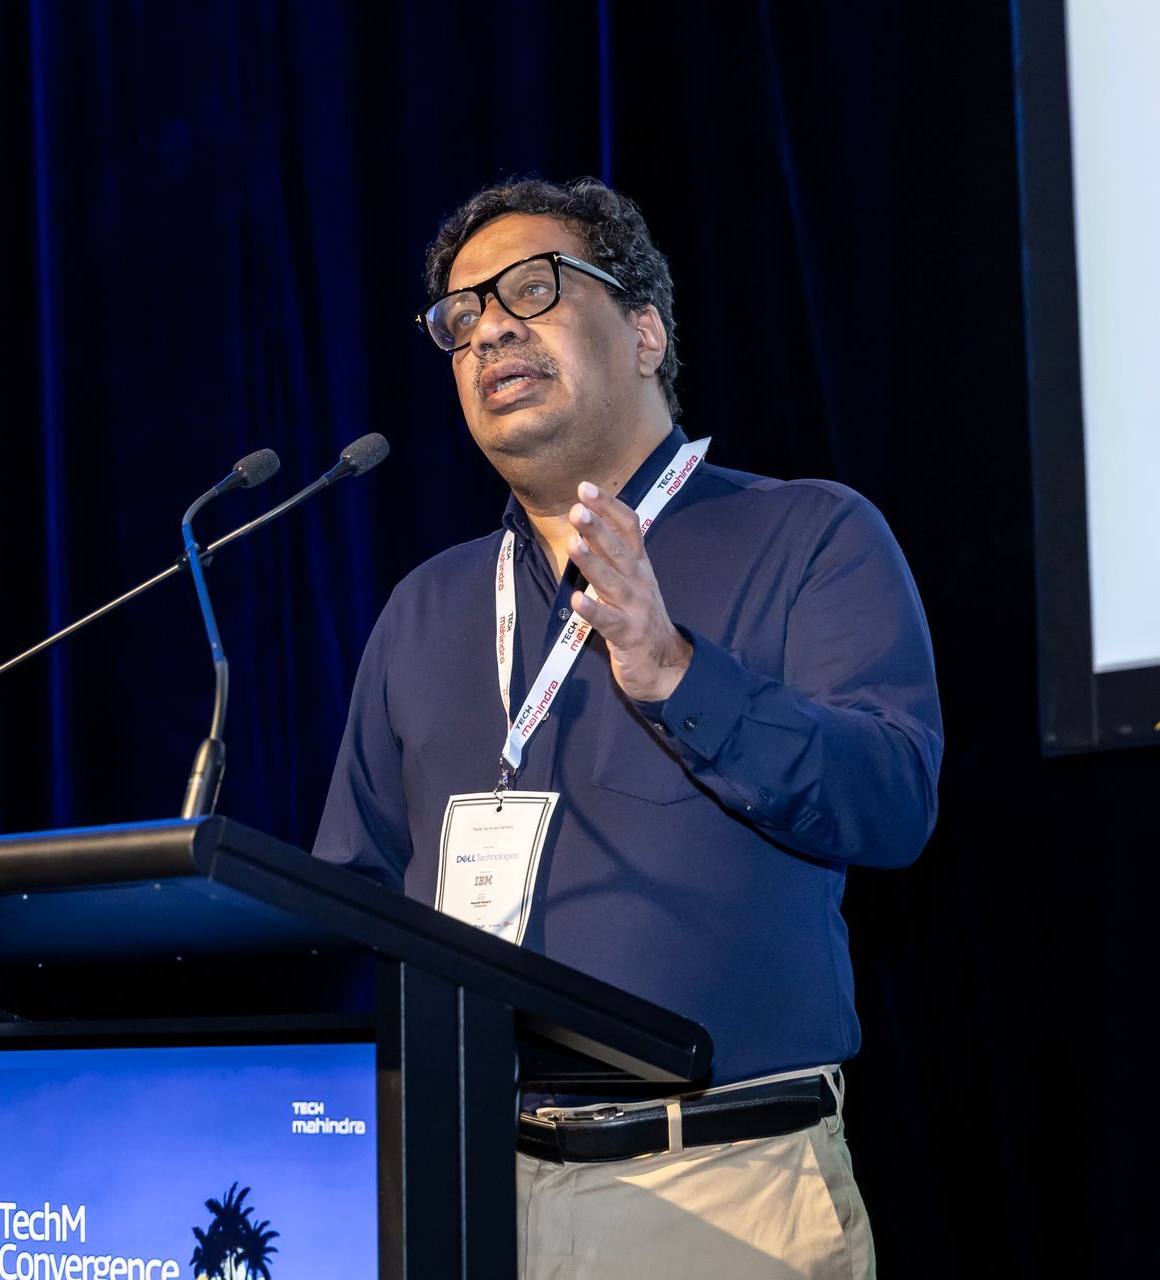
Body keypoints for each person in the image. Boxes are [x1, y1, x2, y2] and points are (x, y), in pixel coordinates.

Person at [311, 177, 943, 1278]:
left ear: (646, 331)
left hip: (717, 1197)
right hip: (458, 1195)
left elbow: (889, 800)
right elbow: (352, 895)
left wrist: (676, 671)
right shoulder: (423, 609)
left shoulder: (808, 535)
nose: (490, 327)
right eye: (461, 318)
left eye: (531, 288)